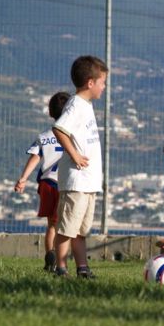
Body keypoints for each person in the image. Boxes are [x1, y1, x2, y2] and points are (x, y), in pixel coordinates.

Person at [52, 55, 109, 278]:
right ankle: (61, 268)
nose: (104, 87)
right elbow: (59, 129)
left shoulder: (86, 105)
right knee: (67, 228)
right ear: (90, 82)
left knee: (81, 230)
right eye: (102, 82)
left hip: (88, 182)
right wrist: (74, 154)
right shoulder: (75, 105)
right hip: (76, 181)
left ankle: (82, 268)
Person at [14, 91, 70, 272]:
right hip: (66, 184)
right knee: (66, 225)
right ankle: (62, 262)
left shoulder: (44, 136)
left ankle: (50, 257)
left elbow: (34, 157)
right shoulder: (75, 136)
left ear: (50, 113)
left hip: (47, 184)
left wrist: (23, 179)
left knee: (51, 225)